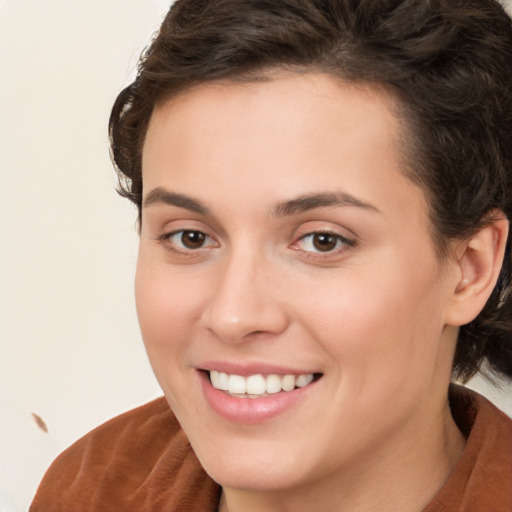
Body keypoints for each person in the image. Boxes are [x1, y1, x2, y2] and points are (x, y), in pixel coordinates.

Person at [30, 0, 512, 510]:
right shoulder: (93, 488)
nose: (233, 315)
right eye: (190, 237)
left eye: (322, 241)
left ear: (469, 270)